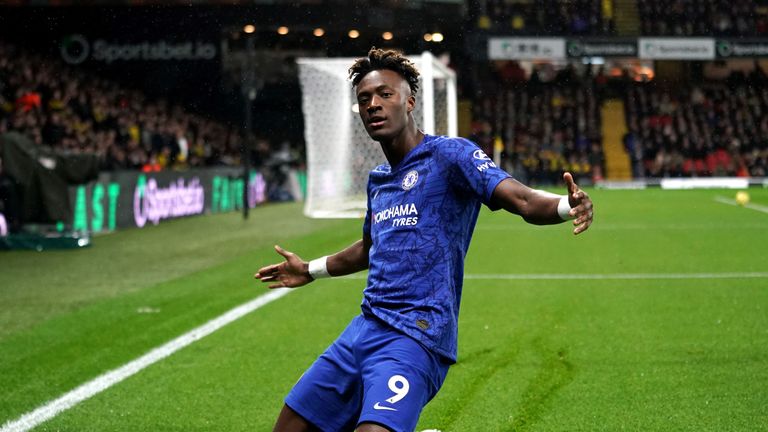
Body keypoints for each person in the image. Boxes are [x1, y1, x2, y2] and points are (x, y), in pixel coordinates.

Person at [255, 48, 594, 432]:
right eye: (364, 99)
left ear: (410, 101)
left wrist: (566, 208)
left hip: (416, 337)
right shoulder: (379, 180)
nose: (373, 105)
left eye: (385, 94)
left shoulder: (451, 155)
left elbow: (520, 198)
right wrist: (310, 269)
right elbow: (370, 248)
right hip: (364, 330)